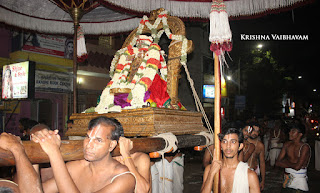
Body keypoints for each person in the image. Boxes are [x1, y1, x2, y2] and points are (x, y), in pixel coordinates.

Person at [31, 116, 136, 193]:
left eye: (98, 140)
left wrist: (54, 153)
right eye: (88, 137)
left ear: (111, 145)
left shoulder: (124, 178)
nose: (89, 145)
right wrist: (35, 150)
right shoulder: (75, 168)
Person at [201, 127, 260, 193]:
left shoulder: (250, 175)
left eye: (233, 142)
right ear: (220, 146)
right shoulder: (209, 169)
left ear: (240, 146)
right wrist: (211, 174)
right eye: (224, 141)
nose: (228, 146)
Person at [276, 122, 311, 193]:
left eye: (293, 131)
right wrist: (294, 165)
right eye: (290, 131)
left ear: (300, 134)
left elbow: (298, 167)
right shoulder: (287, 144)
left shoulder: (304, 147)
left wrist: (285, 162)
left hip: (300, 182)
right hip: (287, 179)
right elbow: (277, 163)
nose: (290, 133)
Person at [246, 122, 266, 191]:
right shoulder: (243, 142)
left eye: (257, 131)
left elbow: (262, 163)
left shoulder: (260, 145)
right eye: (253, 130)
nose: (255, 133)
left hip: (254, 173)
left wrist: (263, 180)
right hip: (242, 172)